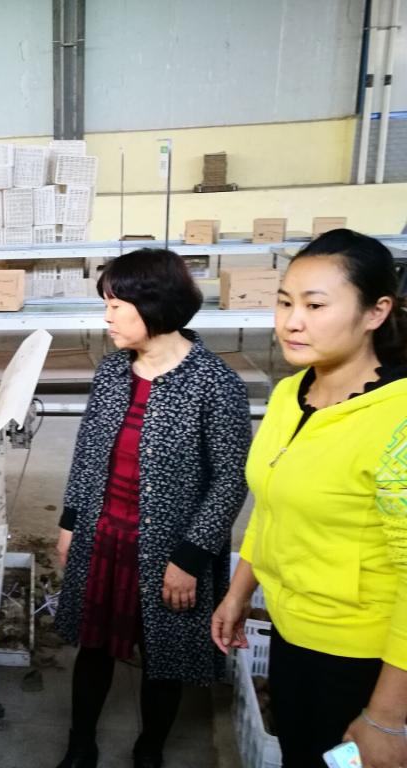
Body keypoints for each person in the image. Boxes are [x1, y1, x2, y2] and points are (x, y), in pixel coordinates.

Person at [212, 229, 407, 768]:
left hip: (362, 657)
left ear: (375, 312)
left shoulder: (397, 421)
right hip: (291, 630)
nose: (292, 322)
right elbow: (272, 504)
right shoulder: (288, 394)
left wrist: (386, 717)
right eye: (285, 303)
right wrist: (239, 592)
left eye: (315, 306)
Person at [54, 249, 251, 768]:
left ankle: (149, 751)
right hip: (104, 535)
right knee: (93, 647)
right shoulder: (112, 373)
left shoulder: (215, 384)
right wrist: (71, 523)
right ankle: (80, 744)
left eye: (116, 305)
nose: (107, 317)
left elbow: (231, 479)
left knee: (163, 656)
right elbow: (88, 453)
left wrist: (190, 557)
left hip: (170, 549)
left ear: (154, 304)